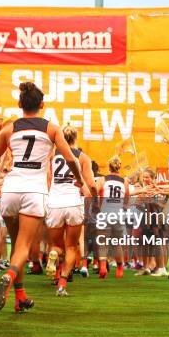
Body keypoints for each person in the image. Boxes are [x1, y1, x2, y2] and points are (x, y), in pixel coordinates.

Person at [0, 82, 85, 313]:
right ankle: (10, 276)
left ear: (19, 104)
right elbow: (71, 159)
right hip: (34, 189)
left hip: (11, 188)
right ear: (42, 104)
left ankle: (19, 297)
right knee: (22, 247)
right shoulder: (51, 128)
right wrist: (79, 179)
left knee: (16, 247)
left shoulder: (9, 129)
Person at [45, 125, 97, 295]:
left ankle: (53, 254)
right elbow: (91, 185)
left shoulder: (52, 156)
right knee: (71, 247)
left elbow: (47, 179)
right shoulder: (83, 158)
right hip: (73, 203)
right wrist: (95, 201)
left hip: (54, 203)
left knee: (56, 245)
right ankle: (62, 284)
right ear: (76, 138)